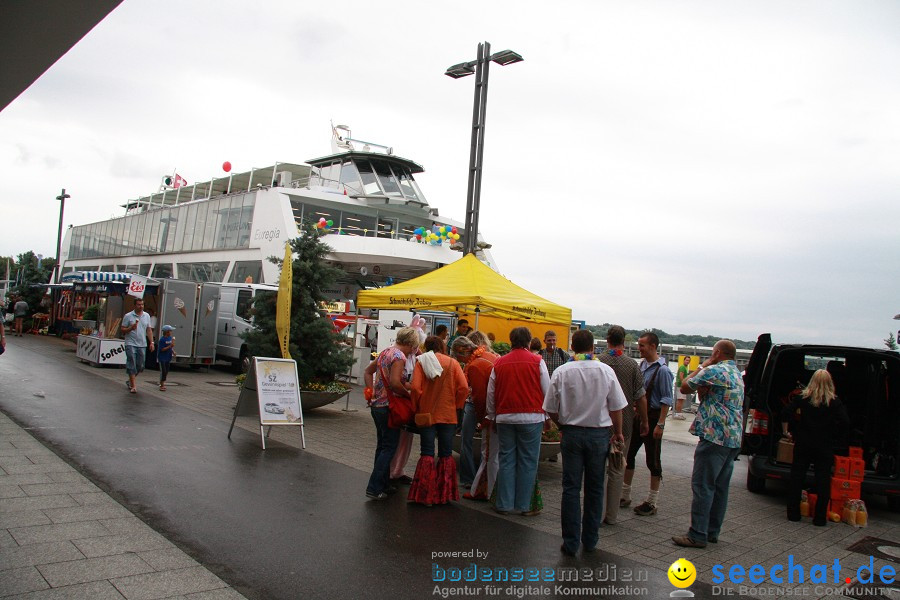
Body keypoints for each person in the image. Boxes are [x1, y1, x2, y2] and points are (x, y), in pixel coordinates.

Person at [544, 329, 627, 555]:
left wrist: (562, 425)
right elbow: (616, 407)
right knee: (594, 488)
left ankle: (570, 542)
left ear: (573, 347)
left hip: (571, 434)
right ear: (592, 347)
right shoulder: (605, 371)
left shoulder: (562, 371)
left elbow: (549, 408)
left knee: (570, 488)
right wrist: (617, 432)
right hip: (599, 434)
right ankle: (590, 540)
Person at [672, 340, 745, 548]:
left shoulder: (716, 371)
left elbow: (685, 386)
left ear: (718, 353)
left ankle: (697, 534)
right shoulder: (737, 374)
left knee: (703, 485)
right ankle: (712, 531)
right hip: (733, 437)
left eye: (713, 353)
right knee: (721, 487)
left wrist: (705, 364)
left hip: (715, 435)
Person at [486, 326, 549, 515]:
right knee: (528, 461)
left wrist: (492, 416)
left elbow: (491, 392)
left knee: (506, 460)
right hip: (532, 416)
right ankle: (524, 505)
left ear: (511, 340)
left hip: (505, 417)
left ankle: (504, 504)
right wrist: (547, 416)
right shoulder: (538, 361)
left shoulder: (499, 363)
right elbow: (547, 390)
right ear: (529, 341)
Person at [781, 369, 849, 527]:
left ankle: (793, 514)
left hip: (803, 442)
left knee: (797, 477)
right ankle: (819, 518)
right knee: (823, 480)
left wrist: (789, 432)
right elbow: (845, 422)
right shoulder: (834, 401)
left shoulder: (803, 398)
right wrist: (837, 438)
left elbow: (785, 413)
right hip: (824, 444)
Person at [408, 336, 468, 506]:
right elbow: (463, 387)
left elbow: (415, 388)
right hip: (448, 414)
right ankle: (444, 494)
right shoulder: (453, 363)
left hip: (427, 413)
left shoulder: (421, 362)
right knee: (446, 454)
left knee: (427, 452)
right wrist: (456, 405)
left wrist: (416, 406)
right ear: (442, 346)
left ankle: (425, 496)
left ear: (426, 347)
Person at [599, 325, 648, 525]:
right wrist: (645, 420)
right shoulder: (632, 365)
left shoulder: (598, 362)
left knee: (598, 469)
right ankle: (611, 515)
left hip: (600, 424)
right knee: (617, 469)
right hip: (624, 424)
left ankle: (597, 512)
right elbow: (641, 397)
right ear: (624, 340)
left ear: (607, 339)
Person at [363, 326, 419, 500]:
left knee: (382, 447)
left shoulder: (386, 352)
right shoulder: (399, 356)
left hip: (376, 405)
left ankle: (384, 484)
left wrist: (371, 391)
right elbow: (395, 383)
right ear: (410, 344)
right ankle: (373, 487)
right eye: (414, 347)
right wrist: (407, 394)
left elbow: (367, 371)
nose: (413, 351)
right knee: (388, 448)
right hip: (389, 407)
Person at [622, 332, 673, 516]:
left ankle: (652, 501)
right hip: (639, 416)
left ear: (653, 346)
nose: (639, 348)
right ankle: (625, 493)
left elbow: (667, 399)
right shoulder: (641, 365)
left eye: (642, 345)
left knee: (653, 459)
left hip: (652, 418)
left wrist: (661, 424)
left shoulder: (664, 371)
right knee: (629, 454)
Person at [462, 331, 500, 500]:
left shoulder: (476, 365)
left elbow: (479, 396)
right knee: (492, 453)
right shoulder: (493, 357)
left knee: (486, 452)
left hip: (483, 409)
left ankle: (479, 486)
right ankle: (483, 485)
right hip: (493, 410)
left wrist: (482, 419)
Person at [121, 298, 154, 394]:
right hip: (130, 343)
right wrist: (131, 328)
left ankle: (130, 380)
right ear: (135, 305)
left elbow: (149, 330)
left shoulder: (146, 316)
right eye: (139, 304)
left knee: (140, 365)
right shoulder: (128, 316)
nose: (141, 306)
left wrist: (151, 342)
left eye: (142, 304)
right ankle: (133, 385)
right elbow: (123, 329)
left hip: (142, 344)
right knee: (131, 362)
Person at [157, 325, 175, 391]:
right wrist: (170, 346)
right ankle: (162, 384)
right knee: (163, 371)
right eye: (170, 331)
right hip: (162, 358)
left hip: (168, 357)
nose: (171, 332)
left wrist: (173, 351)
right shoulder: (162, 340)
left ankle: (162, 382)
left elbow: (170, 347)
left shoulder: (170, 338)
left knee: (166, 371)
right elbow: (162, 349)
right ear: (167, 332)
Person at [672, 356, 691, 420]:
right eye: (686, 360)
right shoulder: (683, 367)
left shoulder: (685, 367)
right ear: (684, 360)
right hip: (680, 385)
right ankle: (678, 414)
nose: (687, 362)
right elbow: (681, 375)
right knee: (680, 400)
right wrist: (684, 384)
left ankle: (679, 413)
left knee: (681, 400)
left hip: (680, 385)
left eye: (688, 361)